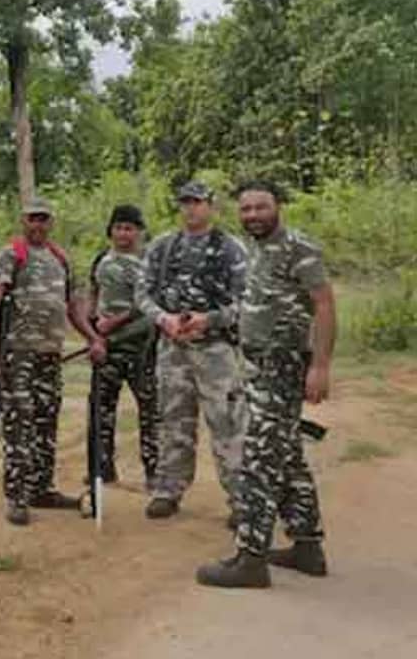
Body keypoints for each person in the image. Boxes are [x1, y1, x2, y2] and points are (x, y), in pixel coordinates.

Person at [196, 179, 336, 588]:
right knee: (287, 454)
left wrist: (321, 366)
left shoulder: (299, 247)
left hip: (283, 365)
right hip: (257, 365)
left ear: (277, 207)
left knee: (257, 458)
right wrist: (210, 320)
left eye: (260, 207)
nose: (253, 215)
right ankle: (308, 546)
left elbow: (324, 303)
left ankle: (250, 559)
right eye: (246, 209)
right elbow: (255, 303)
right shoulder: (253, 249)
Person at [0, 197, 107, 526]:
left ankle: (41, 488)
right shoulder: (11, 254)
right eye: (32, 219)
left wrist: (93, 338)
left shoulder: (60, 258)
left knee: (46, 421)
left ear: (51, 222)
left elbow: (74, 307)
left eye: (43, 219)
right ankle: (17, 496)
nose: (37, 225)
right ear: (23, 221)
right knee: (19, 423)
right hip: (17, 354)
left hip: (51, 355)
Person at [135, 180, 248, 526]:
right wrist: (163, 319)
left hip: (215, 350)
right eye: (185, 202)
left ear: (211, 206)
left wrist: (210, 319)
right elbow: (143, 293)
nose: (191, 208)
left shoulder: (231, 248)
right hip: (173, 349)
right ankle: (168, 490)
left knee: (227, 423)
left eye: (198, 202)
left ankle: (242, 499)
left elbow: (246, 300)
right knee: (173, 422)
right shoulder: (162, 247)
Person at [88, 204, 160, 488]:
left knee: (151, 412)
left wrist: (114, 324)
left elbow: (148, 306)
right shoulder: (102, 261)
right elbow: (93, 293)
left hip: (142, 347)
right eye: (118, 227)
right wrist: (93, 330)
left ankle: (154, 472)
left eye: (129, 228)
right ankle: (102, 468)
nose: (123, 234)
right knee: (101, 410)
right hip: (107, 349)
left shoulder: (148, 265)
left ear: (140, 232)